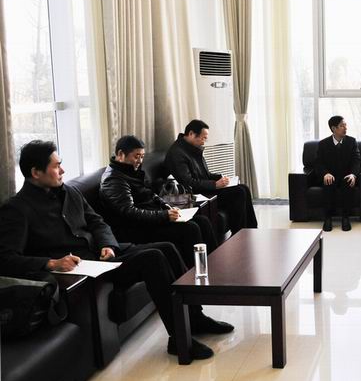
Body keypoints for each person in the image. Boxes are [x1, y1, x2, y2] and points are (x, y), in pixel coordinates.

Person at [0, 141, 233, 360]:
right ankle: (179, 339)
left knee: (168, 248)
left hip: (104, 256)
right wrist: (51, 263)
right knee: (153, 257)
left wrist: (107, 244)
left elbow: (97, 222)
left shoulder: (69, 192)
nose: (62, 170)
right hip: (83, 272)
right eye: (56, 166)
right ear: (35, 172)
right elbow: (6, 258)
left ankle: (196, 317)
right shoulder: (17, 209)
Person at [100, 135, 219, 269]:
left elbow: (150, 194)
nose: (140, 161)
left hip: (151, 219)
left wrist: (166, 206)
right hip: (136, 228)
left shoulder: (130, 170)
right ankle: (197, 271)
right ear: (121, 154)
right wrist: (164, 215)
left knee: (202, 220)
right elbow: (129, 212)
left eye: (142, 156)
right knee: (190, 228)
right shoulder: (113, 180)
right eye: (136, 156)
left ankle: (214, 265)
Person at [164, 119, 258, 237]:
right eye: (203, 138)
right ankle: (238, 235)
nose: (204, 142)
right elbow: (188, 182)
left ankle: (251, 230)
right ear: (191, 134)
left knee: (243, 188)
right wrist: (215, 184)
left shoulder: (192, 148)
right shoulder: (177, 153)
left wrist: (220, 178)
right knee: (238, 192)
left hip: (205, 188)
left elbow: (205, 174)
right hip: (196, 195)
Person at [314, 116, 361, 232]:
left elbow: (356, 160)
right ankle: (328, 218)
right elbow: (318, 163)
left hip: (346, 175)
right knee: (328, 182)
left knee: (348, 182)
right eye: (342, 126)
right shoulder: (323, 144)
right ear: (334, 128)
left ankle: (345, 217)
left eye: (345, 125)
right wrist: (325, 174)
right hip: (330, 176)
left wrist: (353, 174)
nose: (345, 128)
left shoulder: (351, 142)